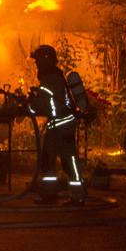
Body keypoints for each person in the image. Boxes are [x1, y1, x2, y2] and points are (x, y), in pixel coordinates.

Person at [26, 44, 86, 205]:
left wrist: (29, 104)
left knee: (69, 161)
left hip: (63, 125)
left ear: (45, 61)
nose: (37, 64)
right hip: (56, 125)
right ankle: (49, 193)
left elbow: (39, 104)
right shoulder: (51, 77)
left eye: (38, 61)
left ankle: (78, 196)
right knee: (47, 159)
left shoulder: (51, 79)